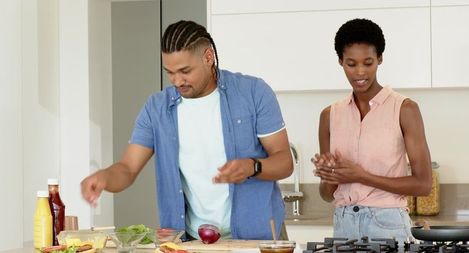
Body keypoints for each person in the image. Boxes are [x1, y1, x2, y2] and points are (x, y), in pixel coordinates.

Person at [81, 20, 293, 240]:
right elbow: (127, 168)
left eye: (185, 71)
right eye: (170, 72)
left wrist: (253, 166)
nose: (177, 80)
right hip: (191, 241)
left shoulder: (254, 93)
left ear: (208, 57)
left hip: (258, 239)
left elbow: (285, 162)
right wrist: (105, 177)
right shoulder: (157, 109)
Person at [311, 18, 432, 243]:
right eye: (351, 63)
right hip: (343, 225)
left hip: (388, 225)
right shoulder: (329, 115)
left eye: (368, 63)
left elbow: (424, 185)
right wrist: (329, 176)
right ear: (340, 61)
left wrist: (362, 176)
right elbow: (327, 195)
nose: (359, 72)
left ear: (380, 59)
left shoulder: (404, 109)